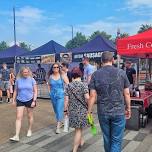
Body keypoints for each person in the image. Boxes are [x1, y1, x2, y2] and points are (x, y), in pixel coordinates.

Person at [88, 51, 131, 152]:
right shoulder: (121, 73)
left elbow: (92, 95)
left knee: (107, 138)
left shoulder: (95, 75)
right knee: (116, 140)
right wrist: (128, 108)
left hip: (103, 112)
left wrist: (89, 111)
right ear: (112, 60)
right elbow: (127, 93)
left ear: (102, 61)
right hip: (119, 111)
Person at [64, 67, 89, 152]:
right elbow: (87, 98)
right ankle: (74, 149)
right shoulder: (83, 85)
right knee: (78, 129)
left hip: (72, 110)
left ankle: (81, 142)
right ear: (80, 75)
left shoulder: (68, 86)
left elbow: (66, 100)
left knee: (77, 128)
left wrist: (65, 110)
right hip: (82, 110)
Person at [10, 66, 37, 142]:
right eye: (24, 72)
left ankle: (29, 129)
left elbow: (35, 91)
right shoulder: (18, 80)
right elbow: (15, 91)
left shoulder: (32, 80)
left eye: (27, 72)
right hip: (20, 99)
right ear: (21, 72)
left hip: (30, 99)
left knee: (29, 116)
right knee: (18, 117)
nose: (26, 73)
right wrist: (13, 100)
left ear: (29, 72)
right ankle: (16, 135)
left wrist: (34, 101)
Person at [47, 63, 69, 134]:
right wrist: (49, 92)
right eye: (54, 67)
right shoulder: (50, 76)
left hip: (60, 95)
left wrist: (64, 91)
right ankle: (61, 122)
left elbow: (68, 84)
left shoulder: (62, 75)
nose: (56, 68)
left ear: (59, 68)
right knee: (56, 110)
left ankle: (58, 127)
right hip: (53, 95)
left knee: (59, 109)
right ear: (52, 68)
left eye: (57, 67)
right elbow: (49, 85)